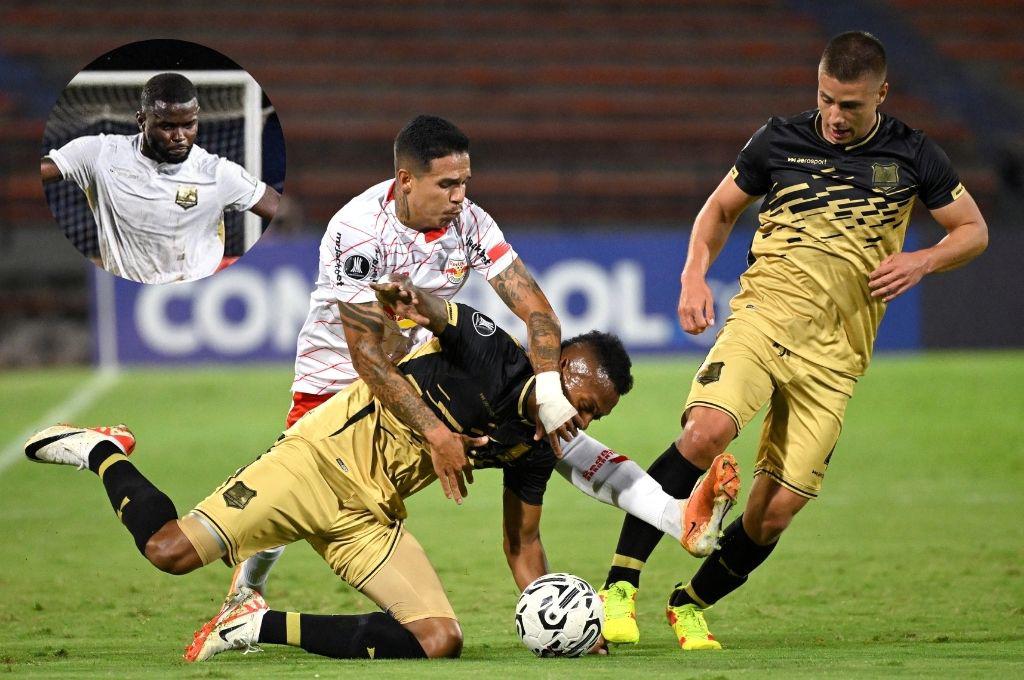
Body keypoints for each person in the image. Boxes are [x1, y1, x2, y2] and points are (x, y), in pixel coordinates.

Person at [23, 276, 733, 662]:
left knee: (439, 641)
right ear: (562, 369)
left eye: (596, 415)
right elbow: (430, 308)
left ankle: (251, 624)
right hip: (315, 462)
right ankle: (101, 451)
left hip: (373, 516)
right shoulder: (490, 350)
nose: (585, 419)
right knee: (169, 552)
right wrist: (409, 302)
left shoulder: (536, 446)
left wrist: (559, 613)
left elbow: (522, 546)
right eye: (583, 401)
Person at [598, 30, 988, 651]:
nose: (835, 116)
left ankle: (689, 603)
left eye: (851, 105)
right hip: (763, 322)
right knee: (705, 432)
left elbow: (972, 230)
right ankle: (620, 586)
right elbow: (719, 211)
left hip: (837, 359)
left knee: (774, 510)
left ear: (882, 94)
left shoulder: (914, 155)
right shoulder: (779, 138)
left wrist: (922, 261)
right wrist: (693, 274)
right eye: (827, 99)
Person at [229, 114, 580, 597]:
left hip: (417, 373)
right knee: (286, 495)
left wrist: (548, 386)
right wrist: (436, 431)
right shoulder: (357, 229)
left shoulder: (473, 222)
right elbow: (367, 356)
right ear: (406, 181)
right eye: (447, 185)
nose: (460, 197)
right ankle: (245, 593)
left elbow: (540, 314)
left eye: (465, 183)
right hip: (334, 374)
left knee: (540, 434)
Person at [42, 72, 281, 283]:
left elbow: (279, 207)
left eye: (189, 125)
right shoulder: (100, 154)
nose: (180, 137)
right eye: (167, 127)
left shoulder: (217, 173)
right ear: (141, 121)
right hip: (129, 296)